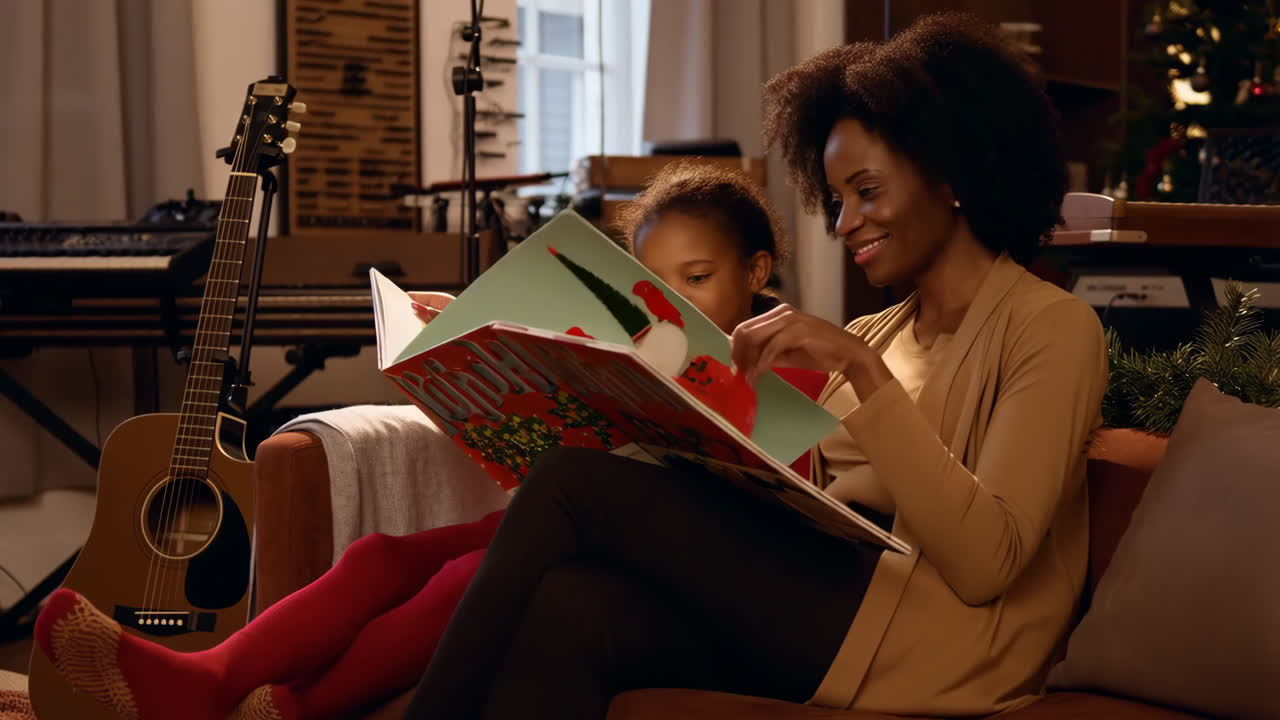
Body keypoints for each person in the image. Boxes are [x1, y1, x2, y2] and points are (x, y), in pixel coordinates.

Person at [391, 12, 1106, 720]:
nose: (843, 223)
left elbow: (987, 563)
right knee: (573, 606)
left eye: (867, 191)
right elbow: (817, 506)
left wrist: (863, 371)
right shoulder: (879, 332)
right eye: (836, 200)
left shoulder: (1051, 326)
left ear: (952, 176)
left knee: (567, 483)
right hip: (830, 602)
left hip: (934, 644)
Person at [32, 162, 806, 720]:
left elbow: (789, 510)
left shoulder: (799, 371)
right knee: (383, 557)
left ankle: (280, 709)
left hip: (688, 577)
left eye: (696, 278)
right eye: (655, 286)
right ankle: (212, 675)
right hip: (589, 528)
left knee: (468, 575)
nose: (674, 305)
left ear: (757, 270)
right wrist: (474, 348)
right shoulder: (634, 356)